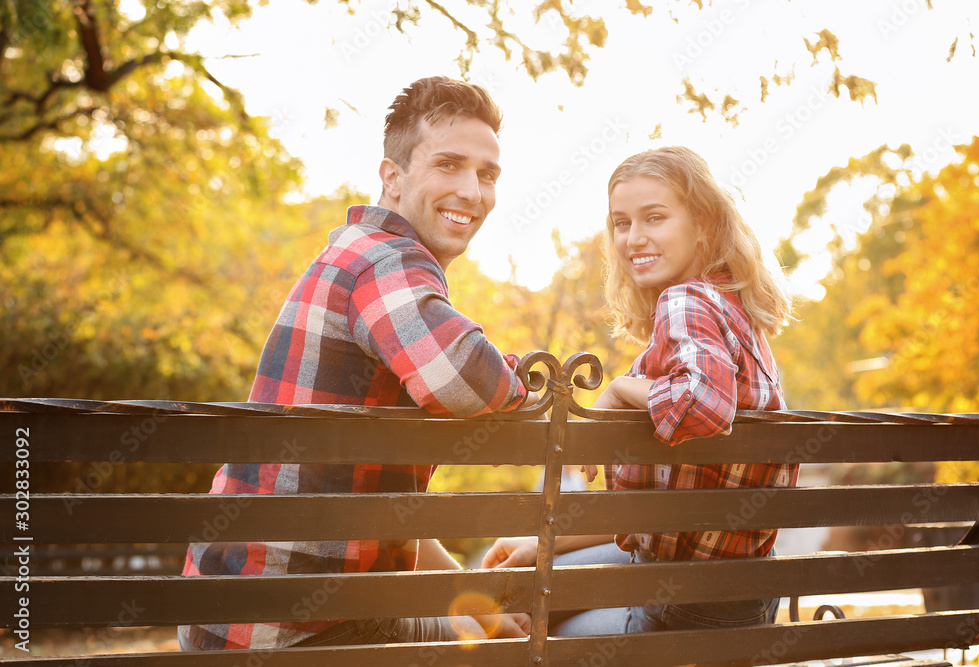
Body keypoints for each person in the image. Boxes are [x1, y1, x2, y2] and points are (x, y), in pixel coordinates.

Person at [179, 76, 530, 651]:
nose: (473, 191)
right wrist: (527, 382)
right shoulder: (386, 261)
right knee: (516, 648)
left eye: (487, 174)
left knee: (485, 625)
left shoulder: (358, 254)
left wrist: (469, 596)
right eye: (449, 165)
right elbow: (467, 382)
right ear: (392, 178)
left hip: (229, 614)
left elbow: (391, 506)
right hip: (299, 628)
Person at [482, 145, 797, 636]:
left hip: (682, 609)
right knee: (527, 582)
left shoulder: (685, 301)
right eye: (621, 223)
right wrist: (548, 545)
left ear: (706, 225)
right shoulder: (732, 311)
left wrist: (619, 389)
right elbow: (668, 513)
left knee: (531, 627)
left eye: (654, 218)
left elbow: (704, 407)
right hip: (741, 594)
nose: (633, 238)